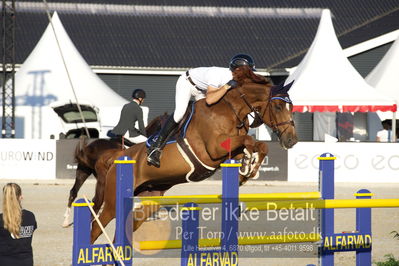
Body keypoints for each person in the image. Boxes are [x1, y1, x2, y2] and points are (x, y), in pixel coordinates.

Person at [147, 53, 256, 167]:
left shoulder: (238, 80)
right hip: (188, 83)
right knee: (180, 113)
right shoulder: (218, 75)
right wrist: (227, 86)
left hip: (203, 90)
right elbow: (209, 100)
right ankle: (156, 147)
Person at [0, 183, 37, 266]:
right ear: (21, 197)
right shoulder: (30, 216)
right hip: (26, 262)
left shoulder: (1, 219)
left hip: (4, 261)